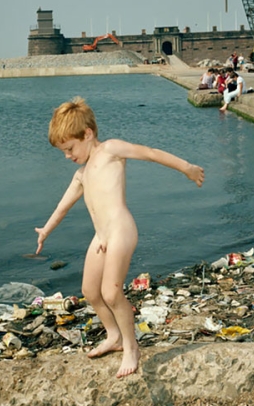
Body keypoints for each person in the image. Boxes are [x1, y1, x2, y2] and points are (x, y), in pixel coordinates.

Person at [36, 97, 204, 378]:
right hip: (100, 236)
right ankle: (113, 335)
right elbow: (62, 206)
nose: (67, 155)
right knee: (91, 292)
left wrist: (186, 168)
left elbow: (150, 153)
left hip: (120, 229)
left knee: (112, 293)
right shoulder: (81, 174)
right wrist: (46, 230)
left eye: (69, 148)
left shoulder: (111, 150)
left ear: (87, 134)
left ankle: (131, 346)